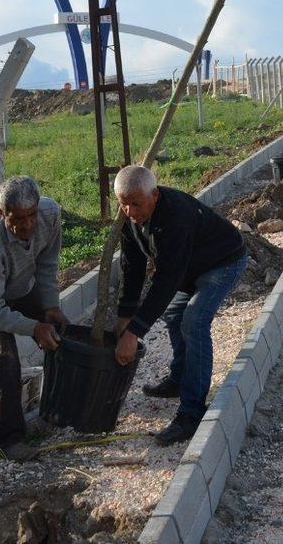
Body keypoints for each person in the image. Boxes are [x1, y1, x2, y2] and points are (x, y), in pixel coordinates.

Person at [114, 165, 247, 446]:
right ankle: (180, 378)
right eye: (123, 204)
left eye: (136, 204)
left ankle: (192, 413)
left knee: (194, 322)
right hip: (191, 267)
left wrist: (134, 331)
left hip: (222, 262)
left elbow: (165, 281)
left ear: (155, 195)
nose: (129, 211)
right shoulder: (130, 217)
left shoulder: (177, 217)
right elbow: (132, 266)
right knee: (175, 314)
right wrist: (125, 315)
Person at [0, 175, 67, 460]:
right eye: (17, 219)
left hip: (22, 282)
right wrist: (33, 326)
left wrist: (51, 307)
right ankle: (10, 439)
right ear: (0, 213)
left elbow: (47, 262)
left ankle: (58, 408)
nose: (27, 225)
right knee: (4, 353)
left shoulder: (50, 214)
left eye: (31, 216)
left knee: (59, 329)